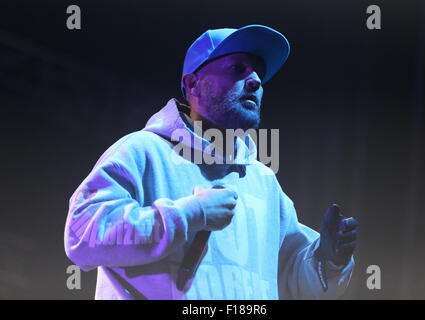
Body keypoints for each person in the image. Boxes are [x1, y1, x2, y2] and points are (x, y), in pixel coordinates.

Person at [64, 24, 358, 300]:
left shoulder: (263, 180)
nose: (255, 80)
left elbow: (290, 276)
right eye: (238, 69)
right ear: (193, 84)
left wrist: (327, 259)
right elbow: (82, 234)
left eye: (259, 73)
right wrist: (189, 215)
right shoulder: (144, 150)